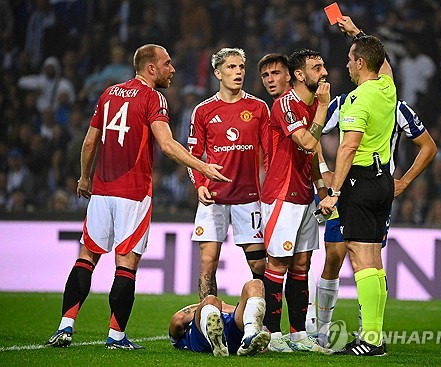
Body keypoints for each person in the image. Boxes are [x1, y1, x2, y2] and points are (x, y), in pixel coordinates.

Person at [45, 44, 230, 349]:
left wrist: (85, 177)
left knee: (86, 257)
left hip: (102, 192)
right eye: (167, 64)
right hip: (133, 192)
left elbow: (90, 142)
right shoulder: (153, 97)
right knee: (126, 264)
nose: (172, 70)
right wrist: (203, 166)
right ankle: (116, 336)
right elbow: (168, 145)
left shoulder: (109, 93)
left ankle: (65, 326)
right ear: (151, 68)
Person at [316, 96, 437, 347]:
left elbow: (428, 146)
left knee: (369, 260)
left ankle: (368, 333)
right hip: (344, 188)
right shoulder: (344, 103)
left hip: (370, 191)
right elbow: (311, 133)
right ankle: (323, 331)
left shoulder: (397, 107)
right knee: (336, 256)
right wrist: (323, 170)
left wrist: (404, 181)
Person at [318, 17, 396, 356]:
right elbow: (386, 67)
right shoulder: (386, 88)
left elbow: (348, 147)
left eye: (351, 58)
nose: (347, 64)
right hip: (384, 182)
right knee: (375, 260)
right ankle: (374, 336)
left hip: (360, 182)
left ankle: (371, 340)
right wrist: (357, 33)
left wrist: (333, 192)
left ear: (360, 63)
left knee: (360, 257)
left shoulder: (357, 99)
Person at [260, 48, 332, 354]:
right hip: (280, 195)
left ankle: (299, 333)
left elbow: (312, 153)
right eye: (317, 68)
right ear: (300, 75)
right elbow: (305, 140)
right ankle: (272, 335)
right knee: (278, 263)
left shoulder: (314, 103)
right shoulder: (285, 103)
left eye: (323, 65)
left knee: (302, 264)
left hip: (304, 195)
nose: (324, 72)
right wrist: (324, 107)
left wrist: (321, 187)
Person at [187, 48, 270, 299]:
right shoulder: (203, 111)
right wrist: (200, 185)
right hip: (214, 198)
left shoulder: (258, 108)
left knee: (259, 265)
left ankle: (261, 323)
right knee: (208, 264)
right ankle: (205, 323)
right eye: (232, 67)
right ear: (218, 73)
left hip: (249, 198)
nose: (238, 72)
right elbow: (193, 155)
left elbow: (270, 154)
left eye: (241, 67)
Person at [169, 279, 270, 356]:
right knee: (211, 300)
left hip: (231, 327)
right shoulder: (185, 332)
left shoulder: (215, 306)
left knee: (255, 284)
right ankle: (216, 341)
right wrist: (223, 306)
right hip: (202, 337)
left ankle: (249, 338)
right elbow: (178, 320)